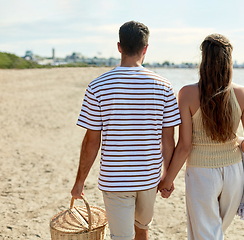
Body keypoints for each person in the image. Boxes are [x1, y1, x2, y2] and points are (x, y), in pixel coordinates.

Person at [71, 21, 181, 240]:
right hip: (149, 178)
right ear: (145, 48)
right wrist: (168, 177)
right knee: (142, 230)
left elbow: (92, 141)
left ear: (119, 47)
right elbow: (168, 140)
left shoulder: (97, 86)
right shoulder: (164, 86)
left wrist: (80, 181)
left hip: (115, 179)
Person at [158, 33, 244, 239]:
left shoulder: (186, 93)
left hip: (202, 174)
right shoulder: (242, 93)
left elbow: (185, 146)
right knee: (215, 233)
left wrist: (168, 179)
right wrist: (237, 142)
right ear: (229, 61)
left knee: (207, 234)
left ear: (204, 60)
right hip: (234, 173)